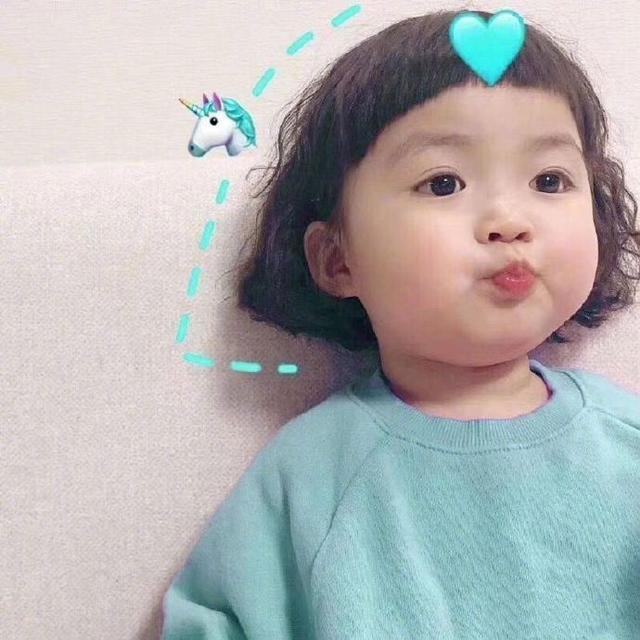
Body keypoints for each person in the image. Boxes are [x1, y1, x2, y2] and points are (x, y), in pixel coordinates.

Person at [161, 8, 640, 639]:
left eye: (549, 180)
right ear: (338, 260)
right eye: (443, 184)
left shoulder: (626, 444)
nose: (510, 220)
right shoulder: (313, 476)